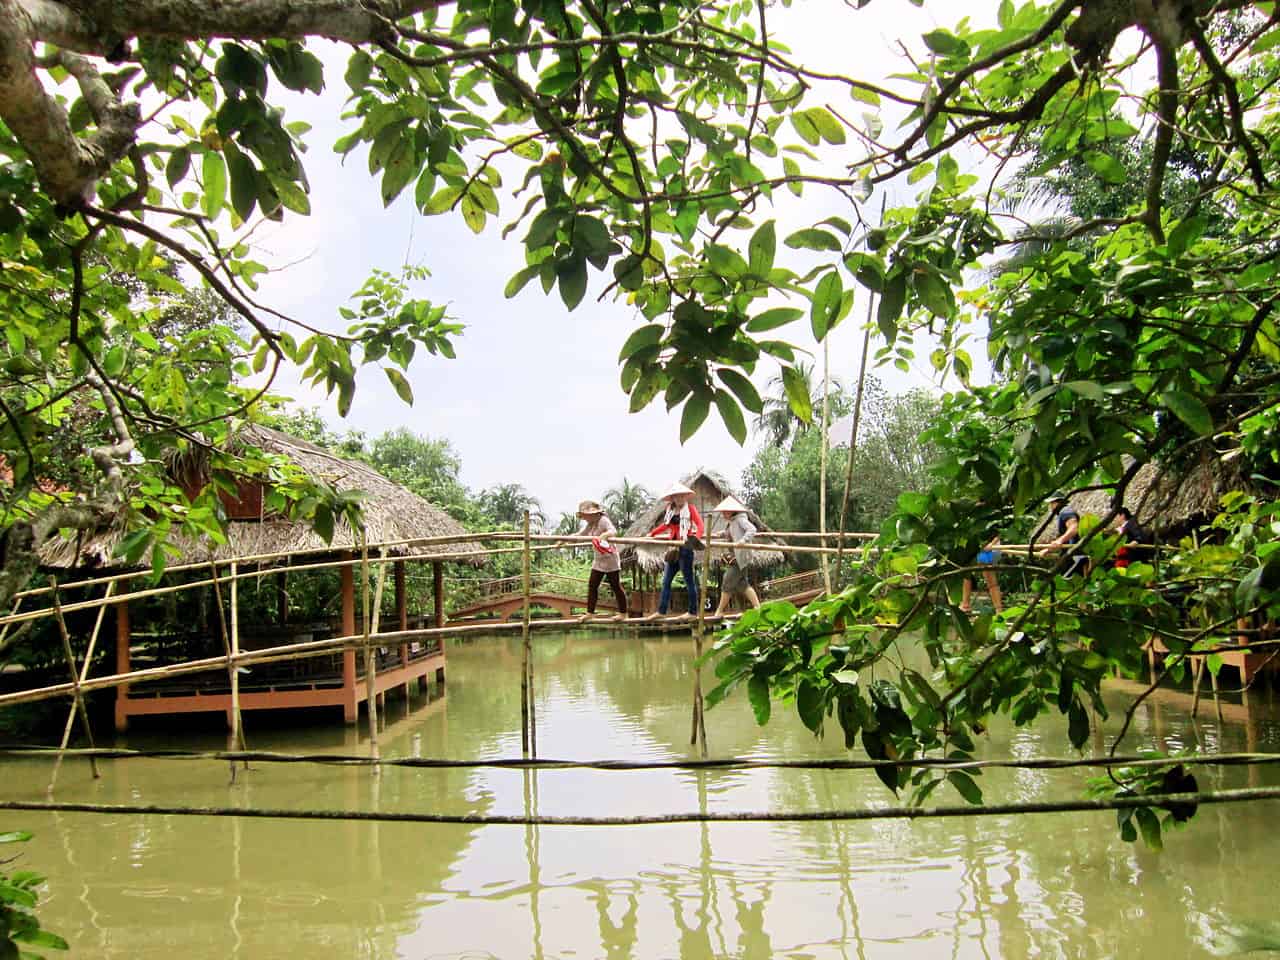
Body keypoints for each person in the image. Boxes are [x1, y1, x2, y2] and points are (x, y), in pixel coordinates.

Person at [648, 481, 704, 618]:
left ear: (686, 497)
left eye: (682, 496)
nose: (679, 499)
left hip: (685, 548)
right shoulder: (670, 510)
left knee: (689, 581)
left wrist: (694, 539)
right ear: (672, 498)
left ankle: (692, 612)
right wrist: (653, 533)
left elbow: (700, 526)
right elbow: (666, 526)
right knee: (666, 581)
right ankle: (661, 611)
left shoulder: (690, 509)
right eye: (677, 497)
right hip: (673, 548)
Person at [573, 499, 628, 620]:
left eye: (586, 515)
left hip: (610, 559)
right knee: (592, 585)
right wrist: (565, 539)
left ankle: (623, 614)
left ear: (593, 514)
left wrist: (603, 536)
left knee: (615, 586)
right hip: (598, 560)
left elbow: (613, 531)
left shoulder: (603, 520)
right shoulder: (591, 524)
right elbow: (580, 535)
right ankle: (590, 613)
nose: (585, 518)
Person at [711, 495, 762, 616]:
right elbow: (732, 534)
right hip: (736, 557)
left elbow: (752, 529)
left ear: (731, 511)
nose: (723, 514)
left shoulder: (740, 519)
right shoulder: (731, 522)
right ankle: (758, 608)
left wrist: (743, 541)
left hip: (739, 558)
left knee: (727, 582)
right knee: (742, 584)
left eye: (725, 511)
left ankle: (719, 611)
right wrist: (722, 534)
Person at [1044, 492, 1085, 577]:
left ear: (1056, 503)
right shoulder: (1063, 513)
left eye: (1051, 504)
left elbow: (1074, 528)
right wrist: (1047, 550)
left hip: (1075, 556)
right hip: (1071, 555)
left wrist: (1060, 540)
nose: (1050, 507)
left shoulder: (1066, 512)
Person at [960, 535, 1003, 614]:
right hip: (980, 546)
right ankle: (965, 604)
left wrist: (992, 543)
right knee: (966, 573)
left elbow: (1001, 531)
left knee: (990, 580)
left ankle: (999, 610)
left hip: (991, 548)